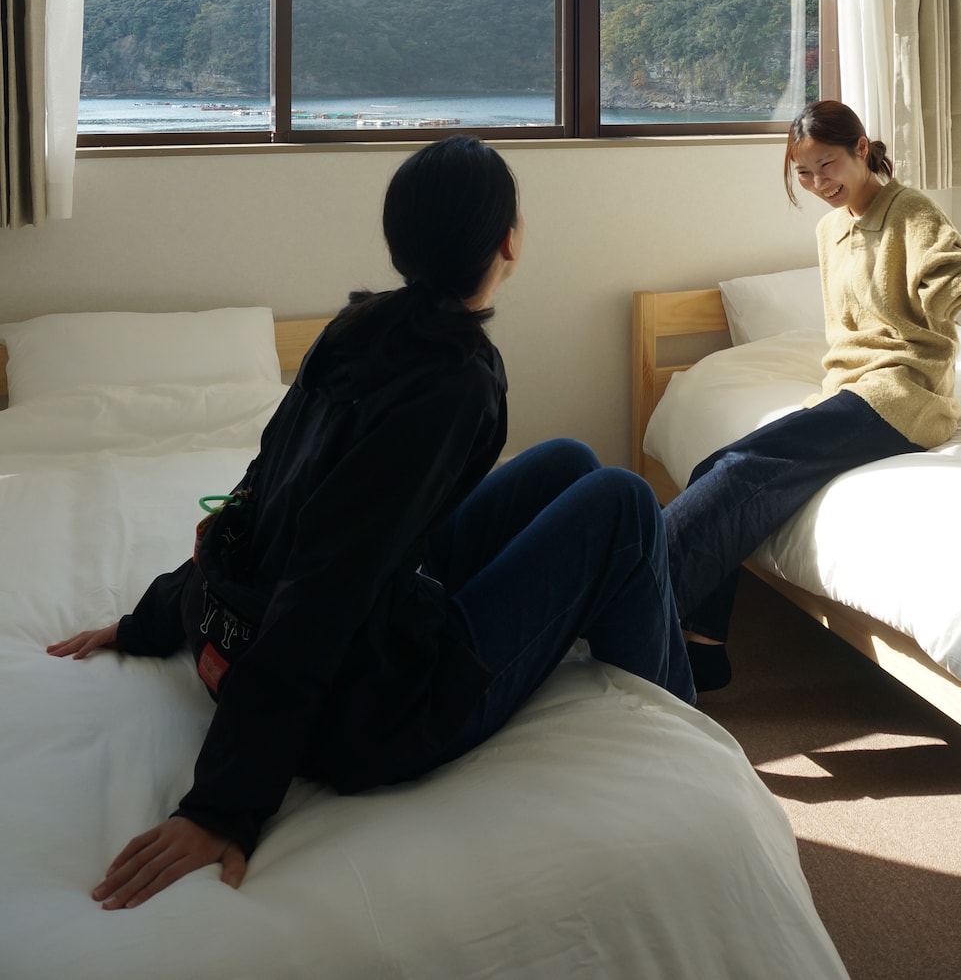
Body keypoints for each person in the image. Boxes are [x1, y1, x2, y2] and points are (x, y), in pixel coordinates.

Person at [49, 136, 693, 909]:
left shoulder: (359, 328)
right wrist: (221, 806)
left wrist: (155, 617)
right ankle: (679, 737)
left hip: (316, 623)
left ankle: (636, 672)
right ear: (508, 242)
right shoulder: (456, 382)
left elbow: (267, 489)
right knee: (623, 502)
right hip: (373, 714)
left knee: (568, 462)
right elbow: (327, 580)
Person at [665, 99, 961, 693]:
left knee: (738, 471)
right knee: (716, 469)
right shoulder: (829, 230)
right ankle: (703, 650)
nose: (818, 183)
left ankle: (623, 604)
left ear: (861, 148)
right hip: (851, 393)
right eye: (804, 173)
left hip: (903, 396)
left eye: (827, 165)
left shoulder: (912, 212)